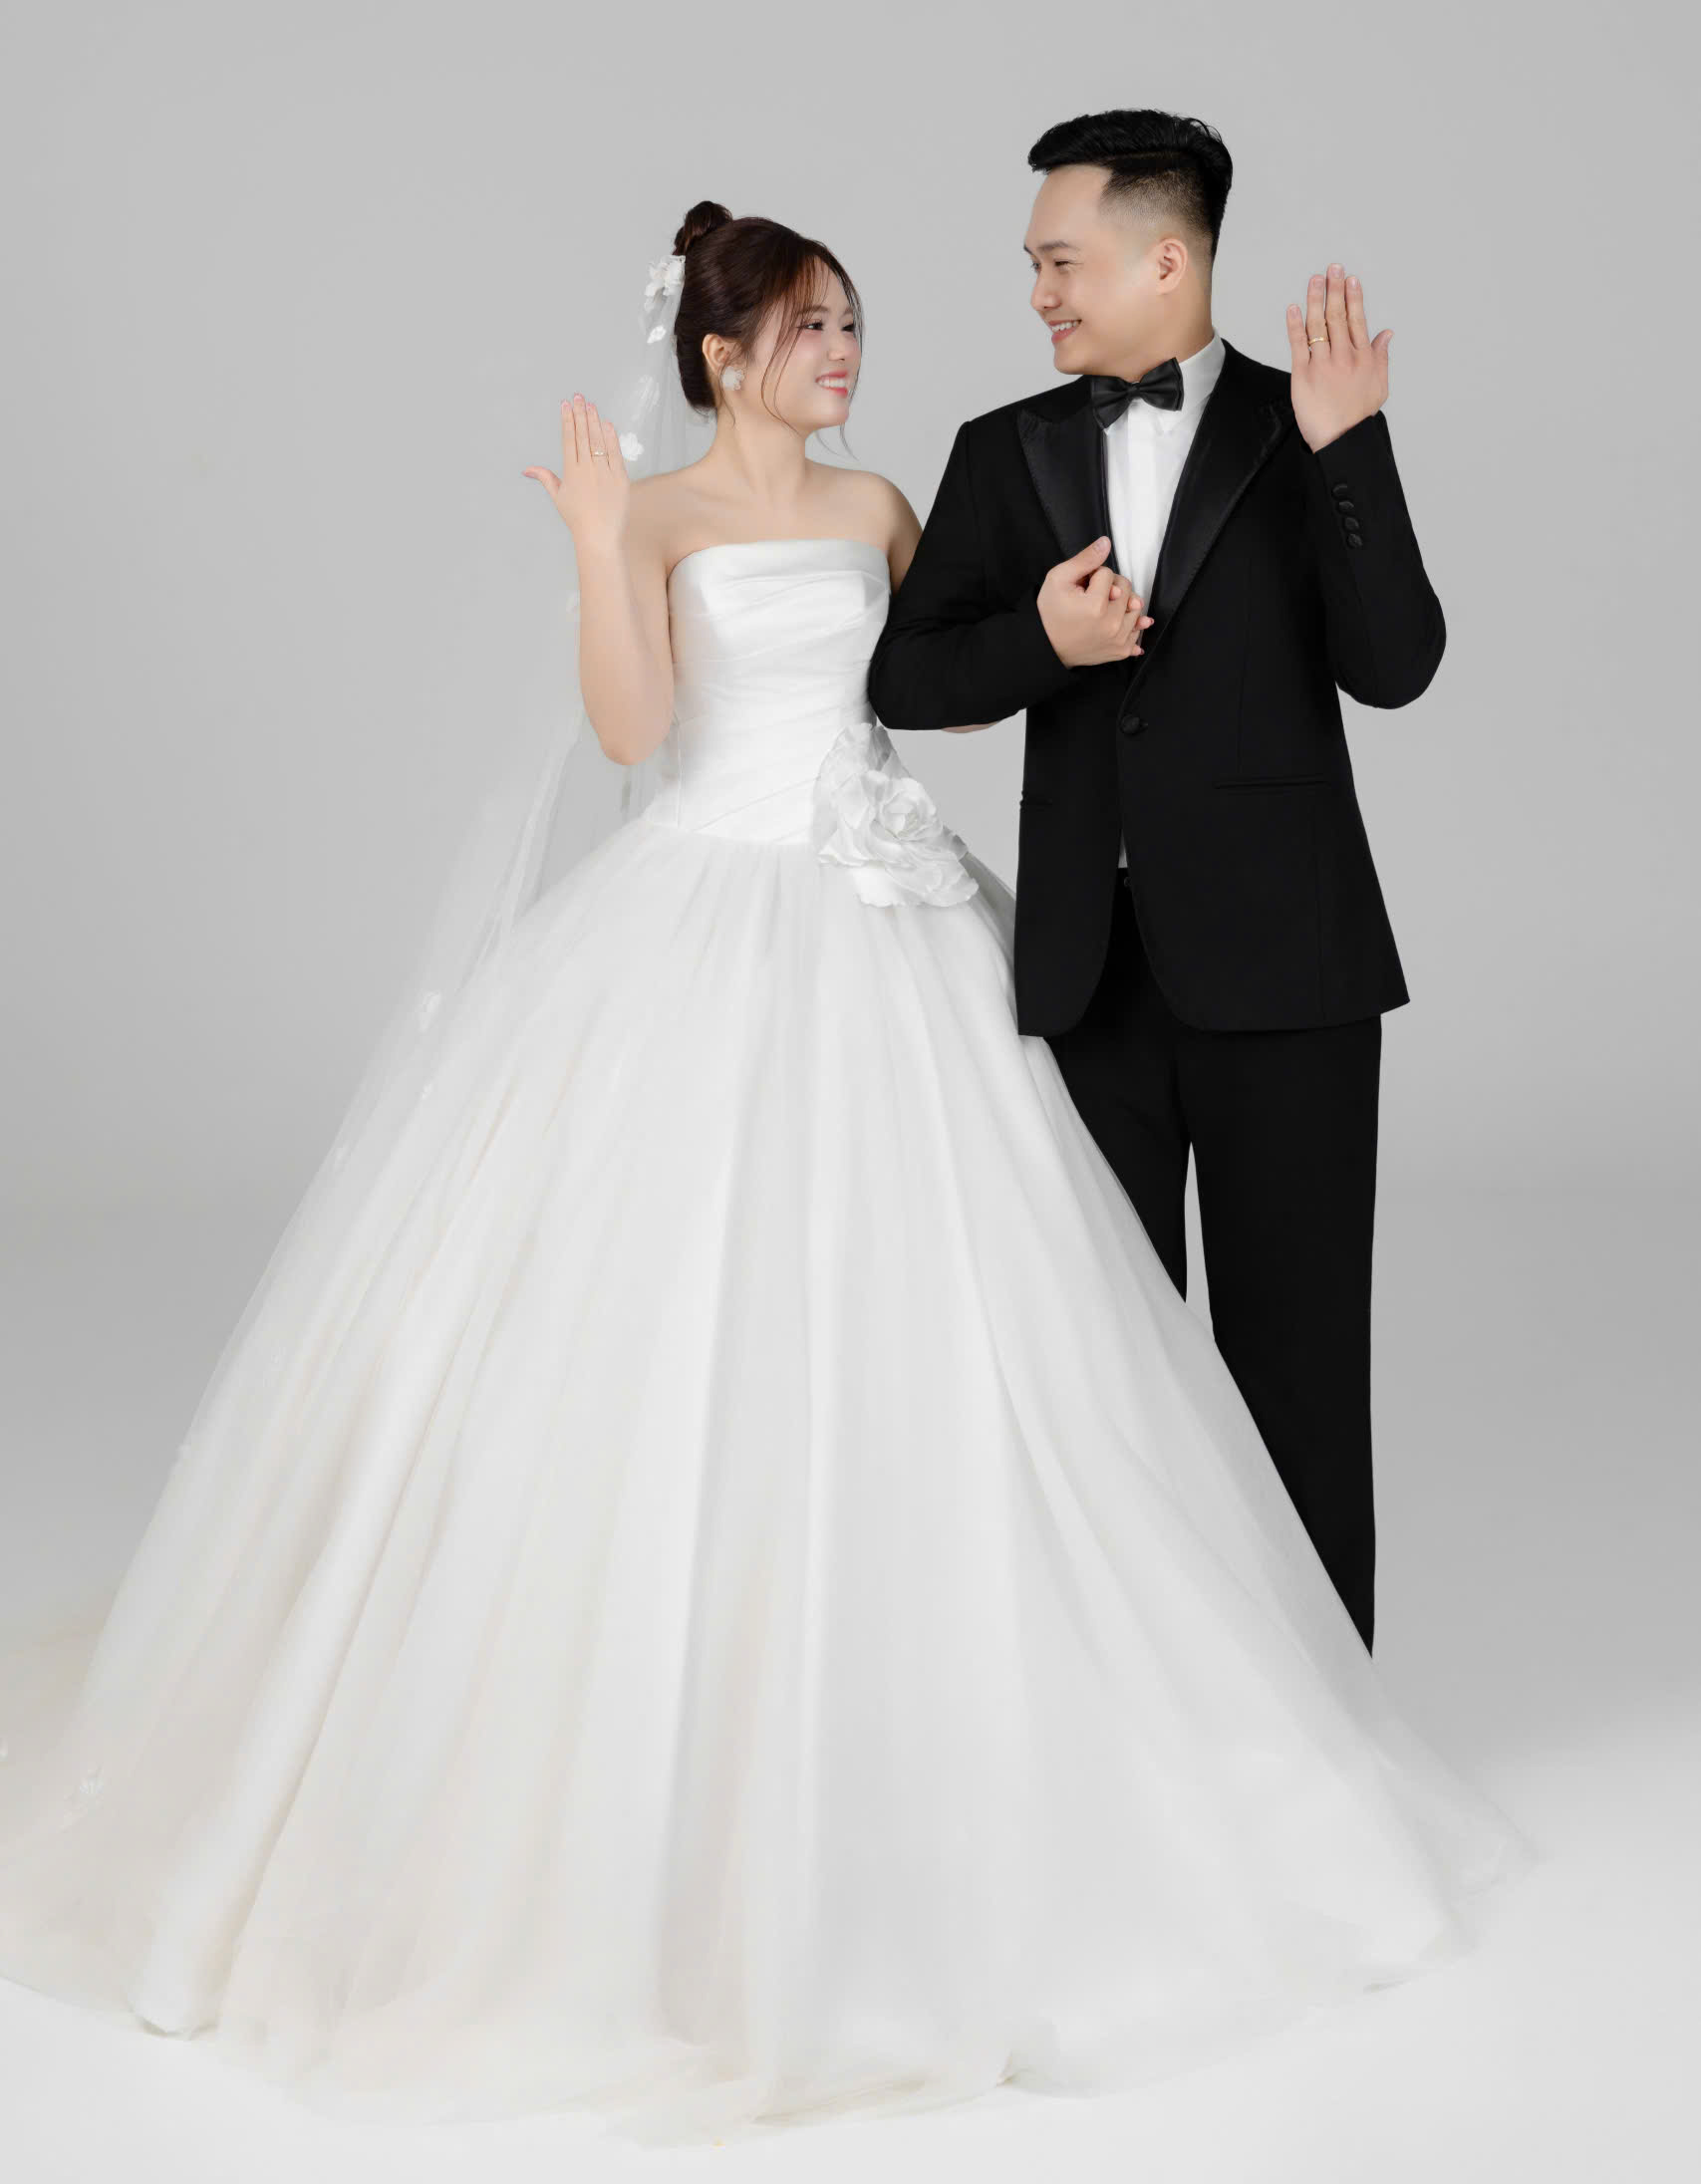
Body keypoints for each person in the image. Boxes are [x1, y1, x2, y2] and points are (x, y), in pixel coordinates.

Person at [0, 201, 1534, 2146]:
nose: (844, 354)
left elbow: (939, 674)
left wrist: (1081, 634)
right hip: (702, 922)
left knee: (989, 1338)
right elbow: (633, 728)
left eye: (851, 326)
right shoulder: (655, 514)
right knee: (665, 1347)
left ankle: (1097, 1734)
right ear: (722, 355)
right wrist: (593, 542)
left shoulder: (886, 503)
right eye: (812, 329)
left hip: (892, 918)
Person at [869, 110, 1442, 1654]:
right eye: (1035, 265)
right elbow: (905, 678)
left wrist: (1351, 447)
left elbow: (1397, 664)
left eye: (1060, 262)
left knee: (1297, 1363)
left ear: (1166, 260)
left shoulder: (1303, 424)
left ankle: (1323, 1709)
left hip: (1292, 971)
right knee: (1099, 1368)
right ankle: (1134, 1707)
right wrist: (1039, 643)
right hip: (1086, 974)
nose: (1038, 294)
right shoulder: (1002, 448)